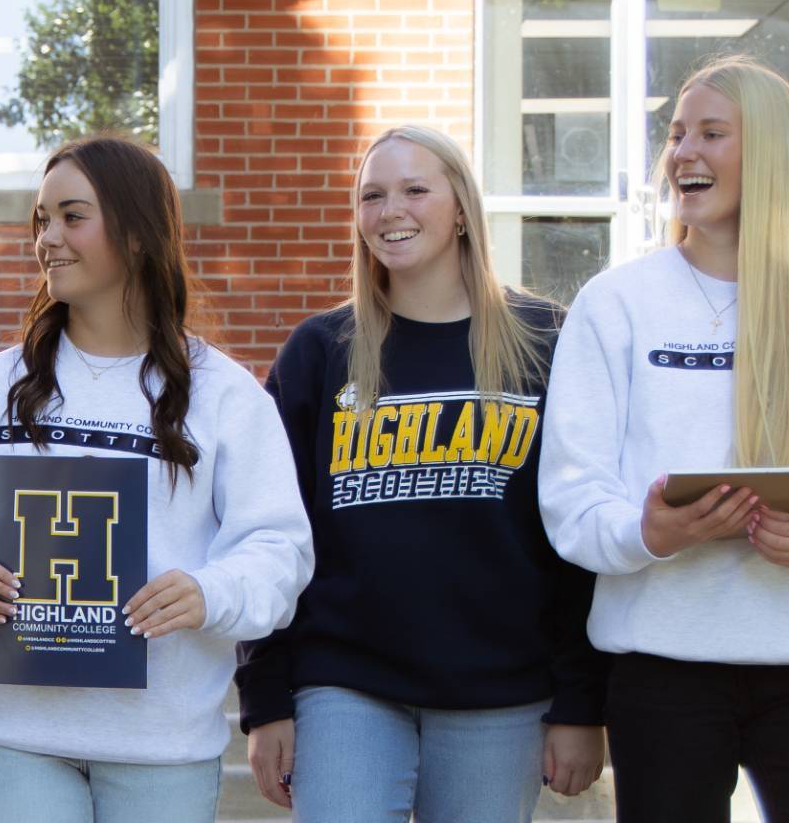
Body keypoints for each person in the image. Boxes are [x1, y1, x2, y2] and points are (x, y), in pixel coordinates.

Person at [539, 57, 789, 822]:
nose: (683, 153)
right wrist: (648, 533)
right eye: (677, 134)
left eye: (712, 133)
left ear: (768, 152)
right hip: (661, 668)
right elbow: (572, 498)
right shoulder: (616, 304)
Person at [0, 134, 313, 822]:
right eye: (42, 220)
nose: (48, 239)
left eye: (72, 217)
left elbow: (280, 551)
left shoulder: (225, 396)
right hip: (16, 738)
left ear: (137, 234)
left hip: (161, 747)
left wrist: (208, 592)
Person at [235, 125, 606, 822]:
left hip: (501, 693)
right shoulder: (320, 352)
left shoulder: (547, 342)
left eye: (414, 190)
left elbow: (578, 537)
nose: (390, 211)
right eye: (371, 195)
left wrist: (582, 700)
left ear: (461, 207)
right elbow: (268, 532)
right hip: (344, 682)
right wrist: (265, 697)